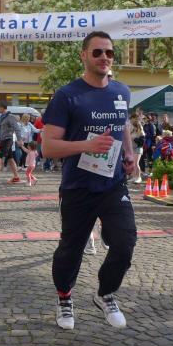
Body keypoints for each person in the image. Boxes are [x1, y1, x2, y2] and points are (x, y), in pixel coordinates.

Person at [42, 31, 137, 330]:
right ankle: (64, 296)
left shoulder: (121, 91)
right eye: (97, 52)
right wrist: (87, 145)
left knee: (125, 242)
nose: (104, 57)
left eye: (109, 52)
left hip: (113, 183)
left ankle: (105, 293)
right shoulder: (67, 95)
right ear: (83, 55)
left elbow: (123, 126)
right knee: (71, 249)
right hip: (78, 186)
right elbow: (48, 147)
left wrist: (130, 153)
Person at [0, 103, 24, 185]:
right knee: (10, 158)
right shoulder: (2, 117)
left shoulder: (10, 117)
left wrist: (19, 139)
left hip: (8, 140)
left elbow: (17, 128)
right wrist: (0, 139)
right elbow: (1, 130)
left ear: (2, 107)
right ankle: (16, 177)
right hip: (3, 140)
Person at [128, 113, 145, 184]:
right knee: (133, 163)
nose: (130, 120)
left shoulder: (139, 127)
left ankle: (138, 177)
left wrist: (135, 138)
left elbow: (142, 138)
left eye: (132, 119)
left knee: (136, 163)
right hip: (132, 147)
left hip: (138, 148)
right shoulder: (130, 127)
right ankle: (134, 177)